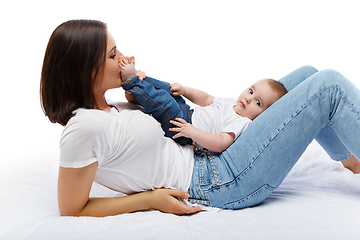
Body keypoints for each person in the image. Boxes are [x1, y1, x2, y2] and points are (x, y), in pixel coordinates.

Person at [41, 19, 360, 217]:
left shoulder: (108, 107)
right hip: (221, 179)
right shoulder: (83, 128)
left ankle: (351, 160)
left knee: (308, 75)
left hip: (215, 154)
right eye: (113, 55)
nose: (123, 58)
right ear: (87, 69)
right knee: (327, 86)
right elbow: (72, 208)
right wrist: (151, 200)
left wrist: (134, 92)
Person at [119, 57, 287, 152]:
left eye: (258, 102)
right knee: (170, 90)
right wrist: (184, 90)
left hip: (184, 130)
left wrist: (192, 132)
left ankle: (132, 83)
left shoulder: (242, 122)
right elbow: (206, 99)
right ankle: (142, 81)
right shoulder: (232, 103)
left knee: (166, 105)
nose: (248, 99)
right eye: (251, 91)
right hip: (188, 112)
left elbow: (220, 143)